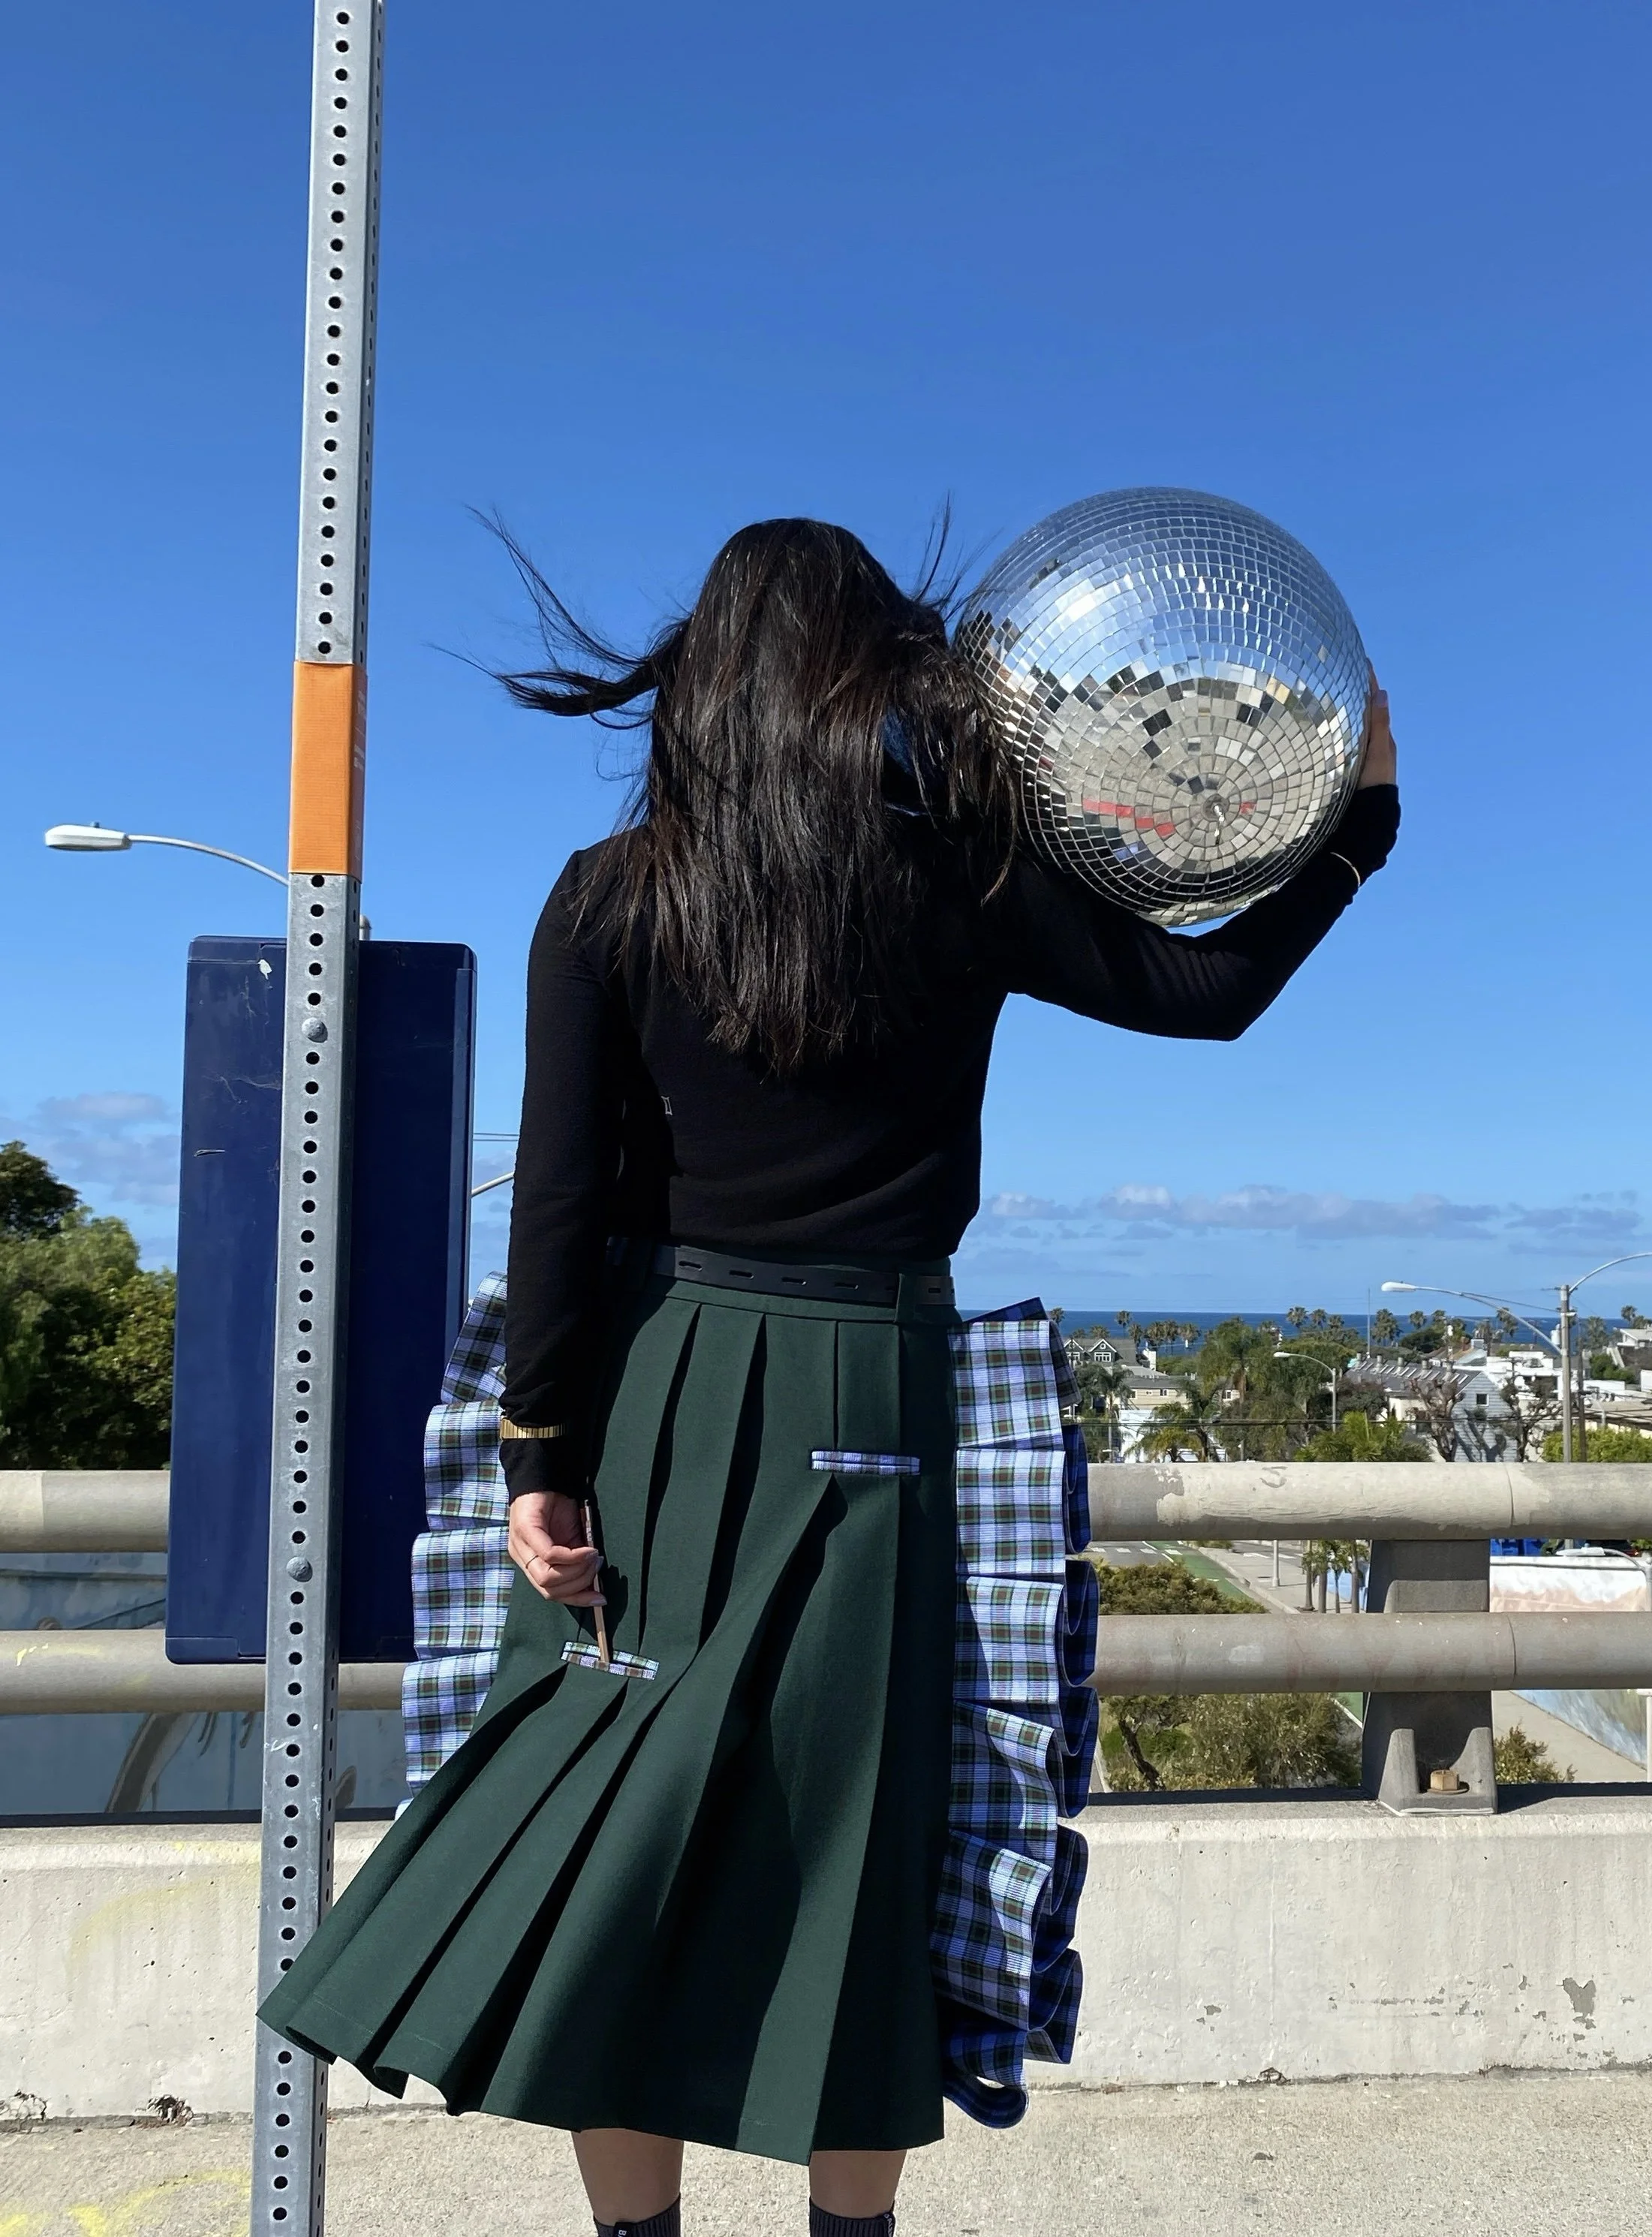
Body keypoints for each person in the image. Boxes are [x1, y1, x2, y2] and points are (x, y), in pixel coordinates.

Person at [260, 516, 1400, 2236]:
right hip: (876, 1390)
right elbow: (1203, 989)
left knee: (613, 1823)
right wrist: (1357, 824)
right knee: (861, 1837)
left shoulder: (611, 890)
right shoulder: (962, 869)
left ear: (695, 687)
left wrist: (539, 1450)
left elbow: (565, 1202)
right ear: (878, 673)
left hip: (655, 1390)